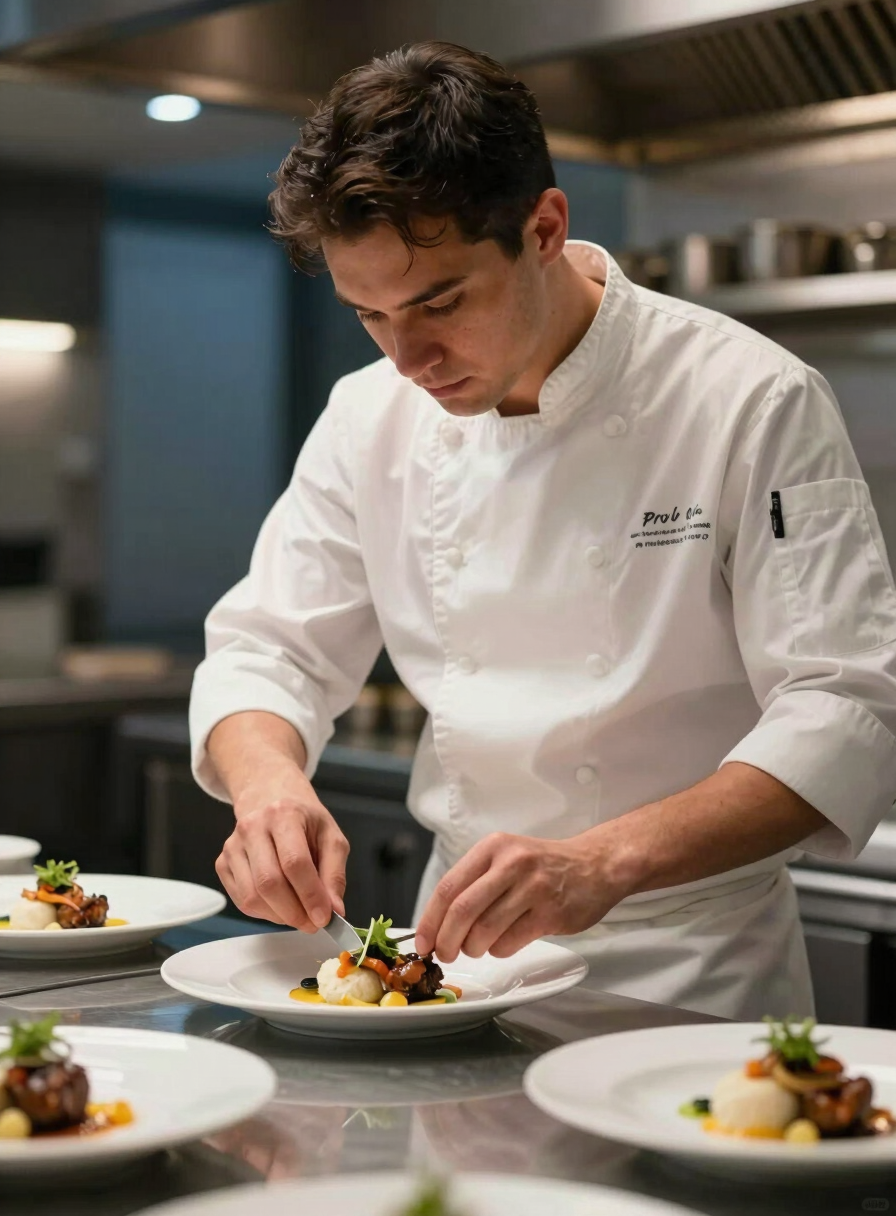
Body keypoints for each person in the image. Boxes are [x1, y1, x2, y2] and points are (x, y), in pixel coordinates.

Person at [189, 41, 896, 1019]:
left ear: (544, 227)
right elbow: (268, 649)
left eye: (439, 302)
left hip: (691, 970)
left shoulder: (748, 397)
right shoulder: (367, 417)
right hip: (457, 962)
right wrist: (266, 786)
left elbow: (847, 704)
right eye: (369, 315)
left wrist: (602, 858)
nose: (408, 358)